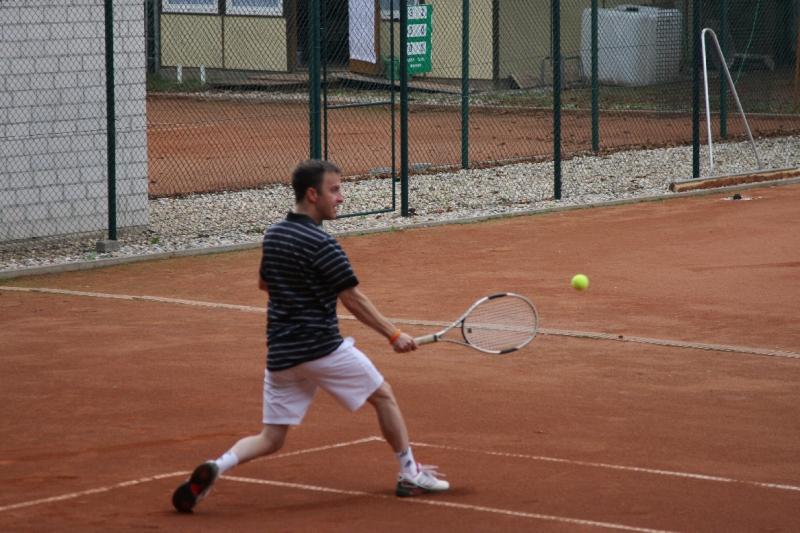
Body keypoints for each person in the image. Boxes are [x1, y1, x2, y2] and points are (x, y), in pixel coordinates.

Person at [172, 160, 449, 513]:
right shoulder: (322, 244)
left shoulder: (275, 234)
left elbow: (265, 283)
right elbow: (353, 298)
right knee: (383, 396)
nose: (341, 198)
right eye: (335, 190)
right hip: (321, 349)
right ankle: (410, 474)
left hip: (281, 356)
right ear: (312, 194)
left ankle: (217, 465)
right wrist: (393, 335)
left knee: (271, 437)